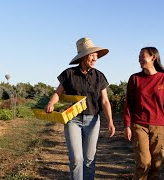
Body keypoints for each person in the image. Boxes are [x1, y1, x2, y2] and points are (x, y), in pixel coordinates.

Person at [45, 37, 115, 180]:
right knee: (76, 158)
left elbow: (105, 101)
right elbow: (58, 93)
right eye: (92, 54)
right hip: (72, 119)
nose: (95, 58)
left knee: (89, 158)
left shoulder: (99, 76)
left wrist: (111, 122)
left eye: (96, 55)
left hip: (92, 120)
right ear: (83, 57)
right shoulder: (69, 74)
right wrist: (51, 103)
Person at [123, 47, 164, 180]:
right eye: (138, 56)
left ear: (153, 58)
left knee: (156, 165)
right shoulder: (135, 79)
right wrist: (126, 125)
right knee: (144, 163)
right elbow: (129, 104)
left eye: (142, 56)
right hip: (139, 124)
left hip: (159, 126)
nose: (139, 59)